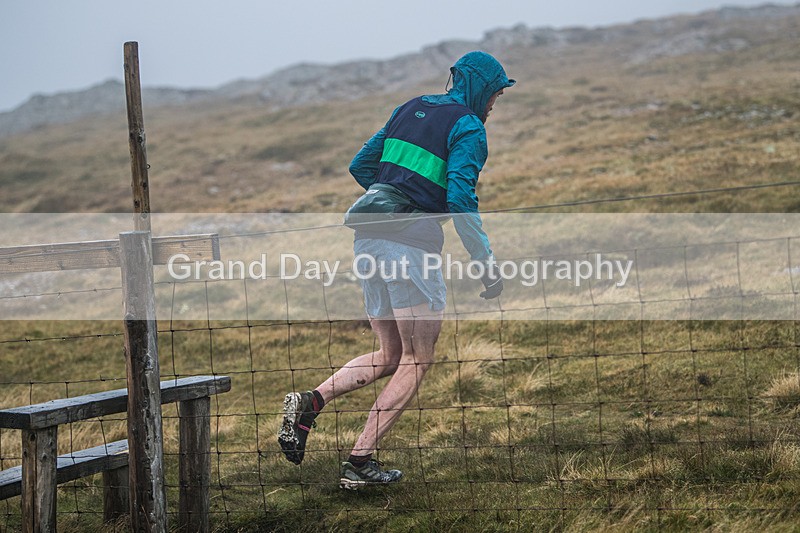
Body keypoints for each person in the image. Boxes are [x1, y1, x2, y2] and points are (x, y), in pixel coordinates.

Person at [278, 50, 514, 490]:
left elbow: (361, 166)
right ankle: (360, 460)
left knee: (389, 354)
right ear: (480, 87)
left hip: (367, 240)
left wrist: (397, 195)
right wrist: (485, 263)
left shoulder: (409, 107)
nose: (495, 104)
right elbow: (462, 198)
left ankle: (310, 401)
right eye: (496, 94)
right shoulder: (469, 127)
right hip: (410, 248)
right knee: (417, 357)